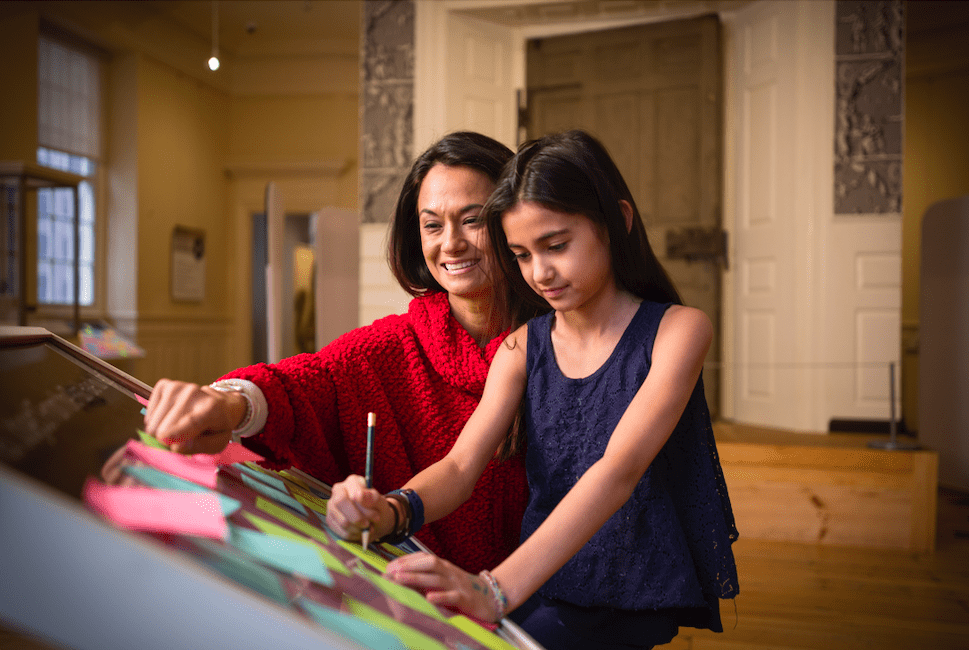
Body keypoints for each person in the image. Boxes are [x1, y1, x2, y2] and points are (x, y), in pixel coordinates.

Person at [326, 130, 739, 650]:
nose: (539, 272)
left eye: (556, 245)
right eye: (520, 254)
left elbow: (617, 471)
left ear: (618, 223)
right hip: (545, 575)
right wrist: (393, 509)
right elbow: (459, 467)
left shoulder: (679, 330)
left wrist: (493, 590)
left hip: (628, 583)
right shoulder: (520, 348)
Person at [140, 132, 538, 576]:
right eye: (432, 224)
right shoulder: (388, 348)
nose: (450, 243)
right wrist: (229, 402)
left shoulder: (562, 341)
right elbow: (301, 383)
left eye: (472, 220)